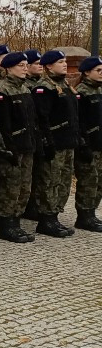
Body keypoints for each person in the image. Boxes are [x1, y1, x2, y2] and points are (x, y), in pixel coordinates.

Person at [0, 51, 38, 243]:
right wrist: (5, 148)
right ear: (9, 68)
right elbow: (0, 125)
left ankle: (16, 222)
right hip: (12, 148)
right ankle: (6, 225)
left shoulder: (25, 89)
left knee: (24, 187)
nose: (25, 68)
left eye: (26, 65)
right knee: (9, 187)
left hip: (27, 145)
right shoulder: (2, 90)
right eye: (21, 65)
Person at [30, 50, 78, 237]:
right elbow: (42, 119)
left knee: (63, 181)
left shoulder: (64, 85)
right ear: (49, 66)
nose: (65, 64)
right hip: (55, 143)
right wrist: (47, 142)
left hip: (68, 142)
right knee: (49, 181)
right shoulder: (44, 88)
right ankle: (46, 219)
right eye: (60, 61)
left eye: (65, 61)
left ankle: (55, 215)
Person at [73, 56, 102, 232]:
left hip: (100, 144)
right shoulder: (81, 93)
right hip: (88, 145)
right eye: (98, 70)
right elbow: (78, 122)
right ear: (86, 72)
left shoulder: (99, 91)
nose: (101, 74)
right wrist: (83, 145)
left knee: (98, 181)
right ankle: (84, 215)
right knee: (88, 181)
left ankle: (92, 212)